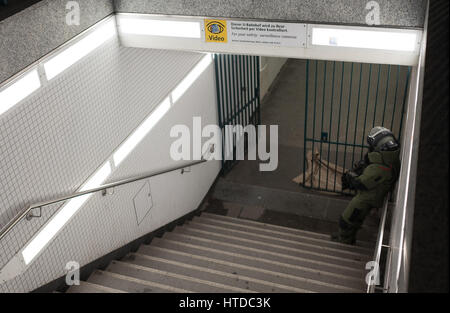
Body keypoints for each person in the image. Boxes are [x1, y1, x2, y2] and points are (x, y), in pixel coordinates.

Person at [331, 126, 401, 245]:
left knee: (347, 219)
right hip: (373, 195)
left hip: (366, 198)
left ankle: (344, 240)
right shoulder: (390, 162)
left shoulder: (378, 168)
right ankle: (348, 238)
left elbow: (361, 183)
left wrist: (351, 177)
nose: (370, 149)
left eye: (372, 147)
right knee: (356, 219)